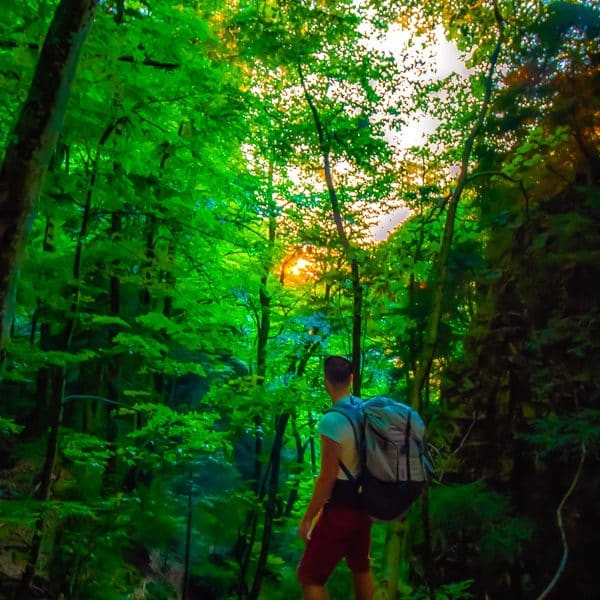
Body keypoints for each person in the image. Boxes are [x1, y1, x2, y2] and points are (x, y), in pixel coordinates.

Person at [297, 356, 374, 600]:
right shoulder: (365, 410)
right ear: (351, 379)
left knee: (309, 577)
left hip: (341, 509)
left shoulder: (331, 421)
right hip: (366, 506)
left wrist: (308, 517)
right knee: (360, 566)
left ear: (325, 381)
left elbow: (327, 477)